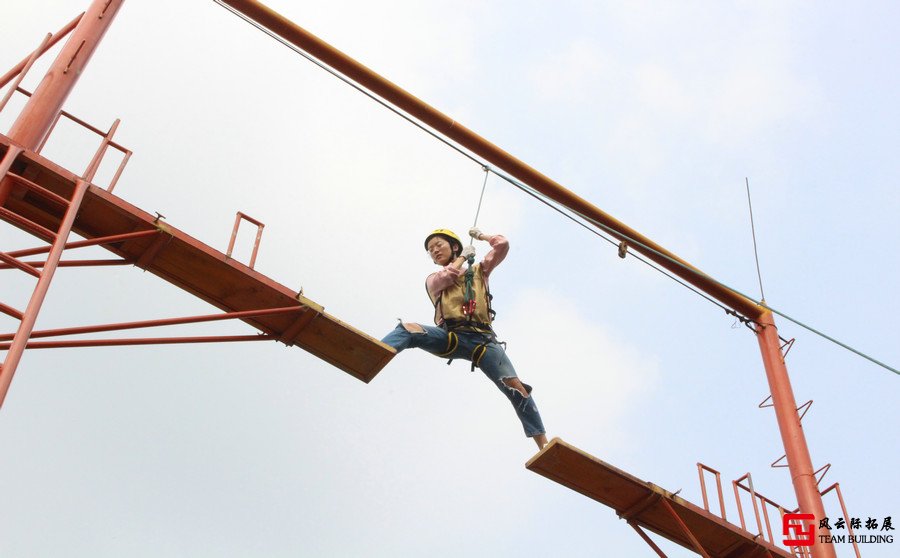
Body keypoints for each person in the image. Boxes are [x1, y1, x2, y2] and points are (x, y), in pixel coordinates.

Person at [382, 227, 548, 450]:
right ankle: (377, 350)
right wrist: (462, 257)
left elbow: (502, 245)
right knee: (408, 329)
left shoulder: (480, 271)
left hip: (484, 341)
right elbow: (447, 276)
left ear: (454, 246)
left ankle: (543, 443)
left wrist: (481, 236)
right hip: (452, 336)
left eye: (438, 245)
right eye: (431, 250)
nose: (434, 251)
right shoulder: (433, 280)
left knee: (517, 388)